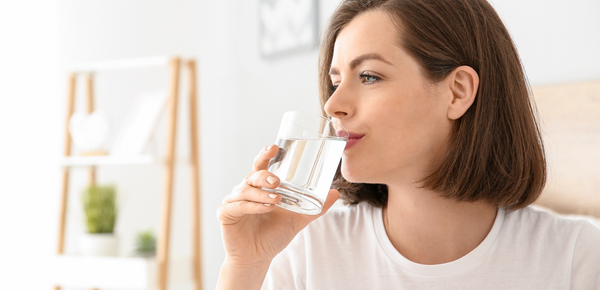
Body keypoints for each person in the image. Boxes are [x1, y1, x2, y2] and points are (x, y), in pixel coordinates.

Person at [217, 0, 600, 289]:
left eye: (368, 76)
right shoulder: (307, 251)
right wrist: (246, 264)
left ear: (457, 92)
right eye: (336, 81)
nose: (333, 105)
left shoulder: (575, 257)